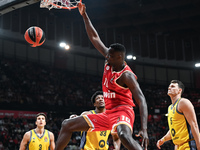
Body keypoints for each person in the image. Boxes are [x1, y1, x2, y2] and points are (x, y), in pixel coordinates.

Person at [55, 3, 149, 150]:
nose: (106, 56)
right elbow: (94, 37)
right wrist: (84, 15)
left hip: (122, 110)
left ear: (119, 57)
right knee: (67, 124)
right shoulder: (109, 58)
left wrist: (144, 129)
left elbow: (141, 99)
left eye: (110, 55)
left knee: (123, 135)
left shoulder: (126, 76)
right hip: (107, 113)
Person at [156, 80, 200, 150]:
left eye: (173, 86)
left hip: (189, 145)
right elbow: (173, 129)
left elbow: (194, 124)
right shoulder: (170, 107)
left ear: (179, 90)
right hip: (178, 146)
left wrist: (198, 146)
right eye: (169, 86)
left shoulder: (183, 102)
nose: (169, 88)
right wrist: (163, 139)